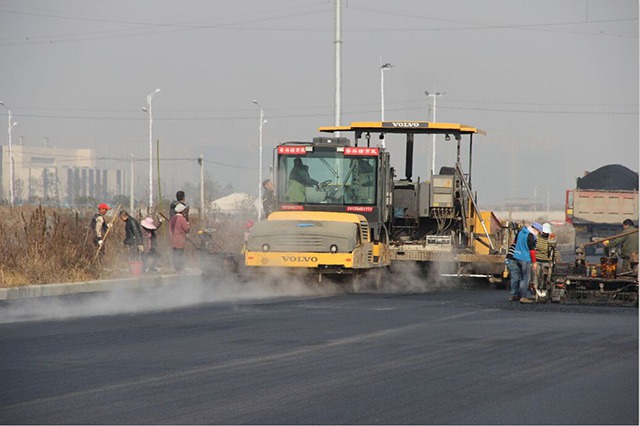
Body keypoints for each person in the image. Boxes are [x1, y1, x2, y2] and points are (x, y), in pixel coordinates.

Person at [512, 222, 543, 304]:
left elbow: (515, 242)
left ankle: (515, 295)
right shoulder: (530, 236)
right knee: (525, 278)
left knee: (518, 277)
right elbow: (532, 251)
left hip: (516, 256)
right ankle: (523, 297)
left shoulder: (520, 232)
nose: (538, 233)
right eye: (539, 232)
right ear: (536, 229)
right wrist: (534, 262)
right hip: (525, 259)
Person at [532, 223, 554, 295]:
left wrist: (552, 261)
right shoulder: (537, 238)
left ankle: (544, 289)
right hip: (537, 260)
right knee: (537, 276)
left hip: (546, 261)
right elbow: (533, 248)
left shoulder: (550, 240)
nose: (545, 233)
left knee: (545, 276)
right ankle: (536, 290)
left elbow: (553, 251)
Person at [169, 203, 190, 272]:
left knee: (175, 254)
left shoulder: (173, 218)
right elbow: (186, 228)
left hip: (173, 239)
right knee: (179, 254)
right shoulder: (181, 218)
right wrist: (187, 224)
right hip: (180, 239)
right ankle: (179, 268)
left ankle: (176, 268)